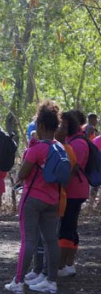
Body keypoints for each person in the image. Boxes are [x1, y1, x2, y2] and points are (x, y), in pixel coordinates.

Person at [5, 102, 62, 294]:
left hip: (32, 199)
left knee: (28, 240)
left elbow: (22, 174)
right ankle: (51, 281)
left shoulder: (37, 149)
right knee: (51, 240)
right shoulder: (60, 148)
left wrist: (29, 150)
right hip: (53, 200)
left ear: (41, 126)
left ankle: (18, 282)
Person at [57, 109, 89, 277]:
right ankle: (68, 264)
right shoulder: (74, 141)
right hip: (73, 190)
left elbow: (71, 168)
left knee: (67, 228)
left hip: (73, 191)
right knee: (70, 227)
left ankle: (63, 265)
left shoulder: (77, 143)